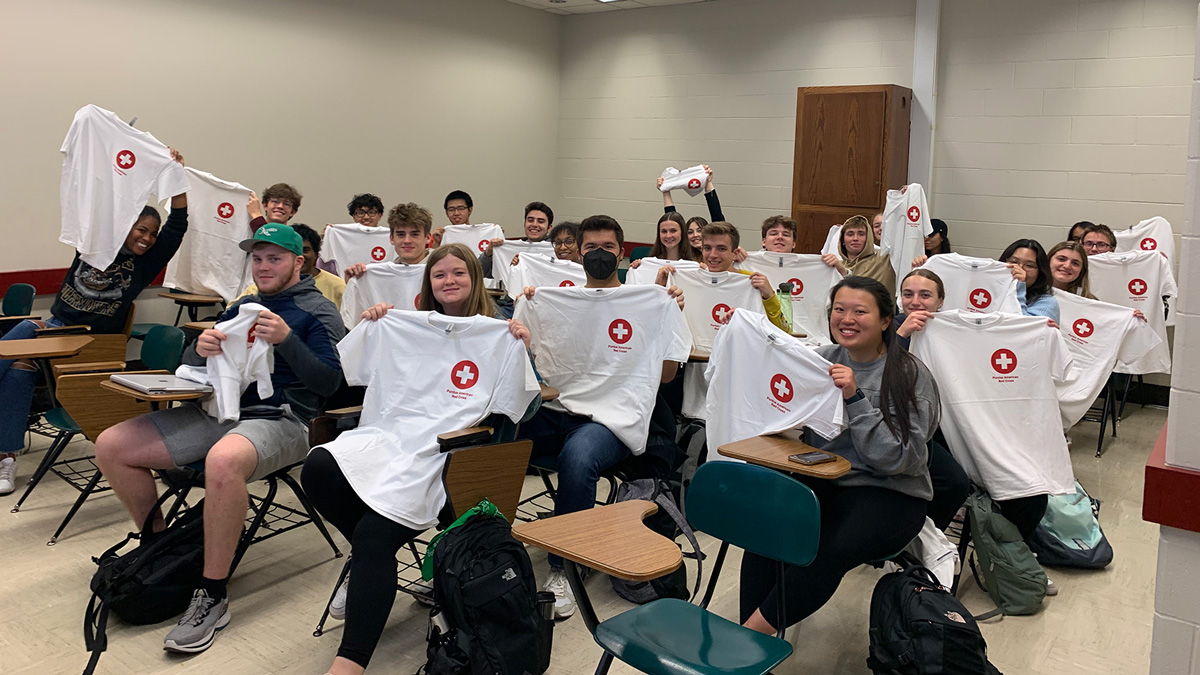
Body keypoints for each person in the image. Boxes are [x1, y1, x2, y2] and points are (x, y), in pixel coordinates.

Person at [94, 223, 345, 653]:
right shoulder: (242, 306)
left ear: (298, 262)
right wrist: (200, 347)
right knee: (112, 445)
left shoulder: (318, 311)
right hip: (220, 409)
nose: (263, 266)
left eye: (275, 258)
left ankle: (211, 593)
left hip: (287, 419)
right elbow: (193, 363)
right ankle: (162, 548)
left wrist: (287, 341)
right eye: (258, 258)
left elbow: (331, 385)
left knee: (223, 461)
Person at [303, 243, 536, 675]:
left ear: (475, 279)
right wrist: (371, 324)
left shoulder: (500, 331)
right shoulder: (401, 324)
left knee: (374, 534)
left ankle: (350, 661)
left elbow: (525, 406)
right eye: (439, 274)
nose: (449, 281)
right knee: (318, 466)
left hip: (449, 453)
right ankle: (371, 562)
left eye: (459, 273)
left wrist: (526, 350)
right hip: (391, 435)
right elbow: (349, 373)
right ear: (428, 283)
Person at [740, 276, 937, 635]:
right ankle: (751, 641)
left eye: (860, 312)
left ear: (886, 321)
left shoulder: (909, 374)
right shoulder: (819, 360)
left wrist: (855, 398)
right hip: (824, 479)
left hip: (890, 490)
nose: (847, 319)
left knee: (829, 549)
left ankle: (749, 638)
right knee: (765, 528)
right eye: (839, 310)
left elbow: (898, 459)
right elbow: (783, 413)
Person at [514, 215, 687, 620]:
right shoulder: (552, 298)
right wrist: (529, 310)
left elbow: (666, 375)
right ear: (578, 252)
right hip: (556, 407)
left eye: (607, 248)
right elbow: (524, 358)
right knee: (493, 440)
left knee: (578, 459)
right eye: (590, 247)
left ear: (621, 252)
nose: (598, 254)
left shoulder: (648, 301)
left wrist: (666, 315)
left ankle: (564, 568)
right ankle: (476, 548)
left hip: (611, 418)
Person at [0, 150, 189, 496]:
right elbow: (98, 202)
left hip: (90, 345)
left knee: (27, 333)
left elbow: (177, 226)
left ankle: (6, 456)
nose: (147, 238)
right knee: (18, 369)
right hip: (56, 329)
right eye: (141, 230)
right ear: (125, 226)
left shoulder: (145, 264)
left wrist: (176, 176)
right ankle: (6, 456)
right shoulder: (94, 245)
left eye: (152, 234)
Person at [890, 269, 970, 531]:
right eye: (908, 294)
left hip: (950, 420)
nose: (915, 302)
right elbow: (879, 372)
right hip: (906, 424)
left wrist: (1040, 330)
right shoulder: (887, 325)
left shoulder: (956, 329)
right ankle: (918, 538)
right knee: (954, 483)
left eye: (925, 295)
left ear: (940, 301)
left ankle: (924, 537)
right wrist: (901, 336)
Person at [697, 222, 788, 331]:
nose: (713, 255)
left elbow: (783, 331)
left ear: (735, 253)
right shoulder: (694, 279)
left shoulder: (752, 282)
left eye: (721, 249)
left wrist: (769, 296)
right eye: (707, 248)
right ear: (702, 250)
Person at [239, 223, 345, 308]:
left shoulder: (333, 291)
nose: (264, 267)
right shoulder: (256, 290)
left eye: (305, 250)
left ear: (316, 255)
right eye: (258, 259)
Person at [1049, 240, 1145, 321]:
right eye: (1061, 259)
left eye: (1075, 263)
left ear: (1082, 270)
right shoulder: (1038, 295)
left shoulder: (1090, 302)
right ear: (1048, 260)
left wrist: (1130, 320)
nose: (1067, 266)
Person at [343, 202, 433, 282]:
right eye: (401, 234)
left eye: (415, 234)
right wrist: (355, 282)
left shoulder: (439, 268)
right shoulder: (384, 275)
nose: (407, 241)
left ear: (428, 238)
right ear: (391, 238)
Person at [822, 215, 896, 296]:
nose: (855, 238)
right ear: (842, 240)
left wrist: (844, 273)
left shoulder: (884, 260)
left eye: (861, 234)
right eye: (850, 234)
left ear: (868, 239)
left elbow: (900, 237)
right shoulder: (834, 266)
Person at [482, 201, 554, 276]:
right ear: (524, 224)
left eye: (540, 221)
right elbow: (481, 272)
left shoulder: (557, 250)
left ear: (549, 228)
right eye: (530, 220)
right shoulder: (511, 248)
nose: (534, 224)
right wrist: (488, 253)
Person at [1001, 239, 1059, 323]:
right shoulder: (990, 290)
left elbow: (1022, 325)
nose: (1019, 269)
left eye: (1029, 266)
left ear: (1040, 272)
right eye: (1014, 261)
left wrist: (1019, 286)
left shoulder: (1048, 303)